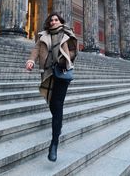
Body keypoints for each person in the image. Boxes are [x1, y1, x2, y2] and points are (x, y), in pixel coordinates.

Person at [26, 12, 78, 162]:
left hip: (62, 73)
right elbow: (36, 50)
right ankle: (58, 125)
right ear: (48, 23)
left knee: (57, 104)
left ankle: (54, 143)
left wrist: (66, 59)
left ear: (60, 21)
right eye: (51, 20)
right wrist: (31, 60)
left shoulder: (67, 33)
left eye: (56, 20)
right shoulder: (43, 35)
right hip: (48, 73)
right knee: (52, 104)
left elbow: (75, 50)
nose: (54, 22)